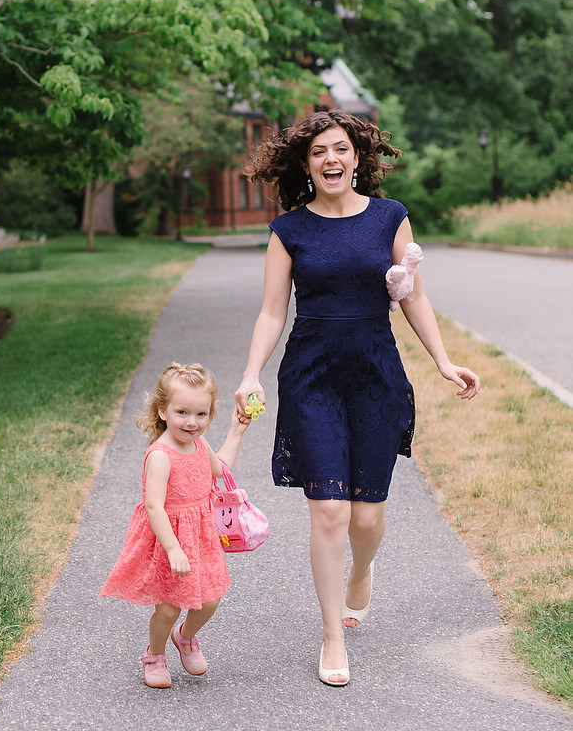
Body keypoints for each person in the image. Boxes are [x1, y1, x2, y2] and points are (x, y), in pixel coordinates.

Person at [234, 106, 480, 687]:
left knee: (366, 517)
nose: (330, 159)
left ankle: (361, 570)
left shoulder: (390, 218)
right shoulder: (288, 229)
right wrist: (251, 374)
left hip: (374, 372)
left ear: (357, 157)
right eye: (318, 152)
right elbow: (274, 311)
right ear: (306, 164)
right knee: (329, 510)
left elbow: (411, 296)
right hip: (311, 374)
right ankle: (331, 634)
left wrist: (444, 362)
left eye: (339, 148)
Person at [101, 362, 250, 688]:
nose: (192, 422)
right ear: (163, 411)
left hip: (200, 534)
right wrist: (172, 547)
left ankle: (185, 636)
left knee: (209, 600)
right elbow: (154, 506)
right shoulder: (160, 455)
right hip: (167, 538)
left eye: (201, 414)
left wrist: (236, 432)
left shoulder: (200, 445)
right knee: (168, 608)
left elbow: (219, 469)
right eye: (182, 412)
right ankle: (154, 654)